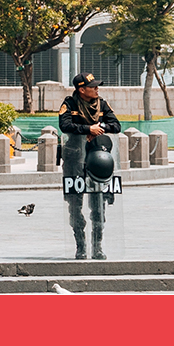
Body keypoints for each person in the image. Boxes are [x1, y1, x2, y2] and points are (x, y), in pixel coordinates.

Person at [58, 71, 119, 260]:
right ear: (81, 89)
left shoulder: (102, 103)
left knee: (99, 206)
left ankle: (98, 247)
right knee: (75, 206)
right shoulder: (69, 103)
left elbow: (116, 125)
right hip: (74, 160)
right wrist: (87, 130)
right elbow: (64, 125)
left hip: (97, 161)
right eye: (93, 87)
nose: (97, 89)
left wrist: (99, 130)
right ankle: (81, 246)